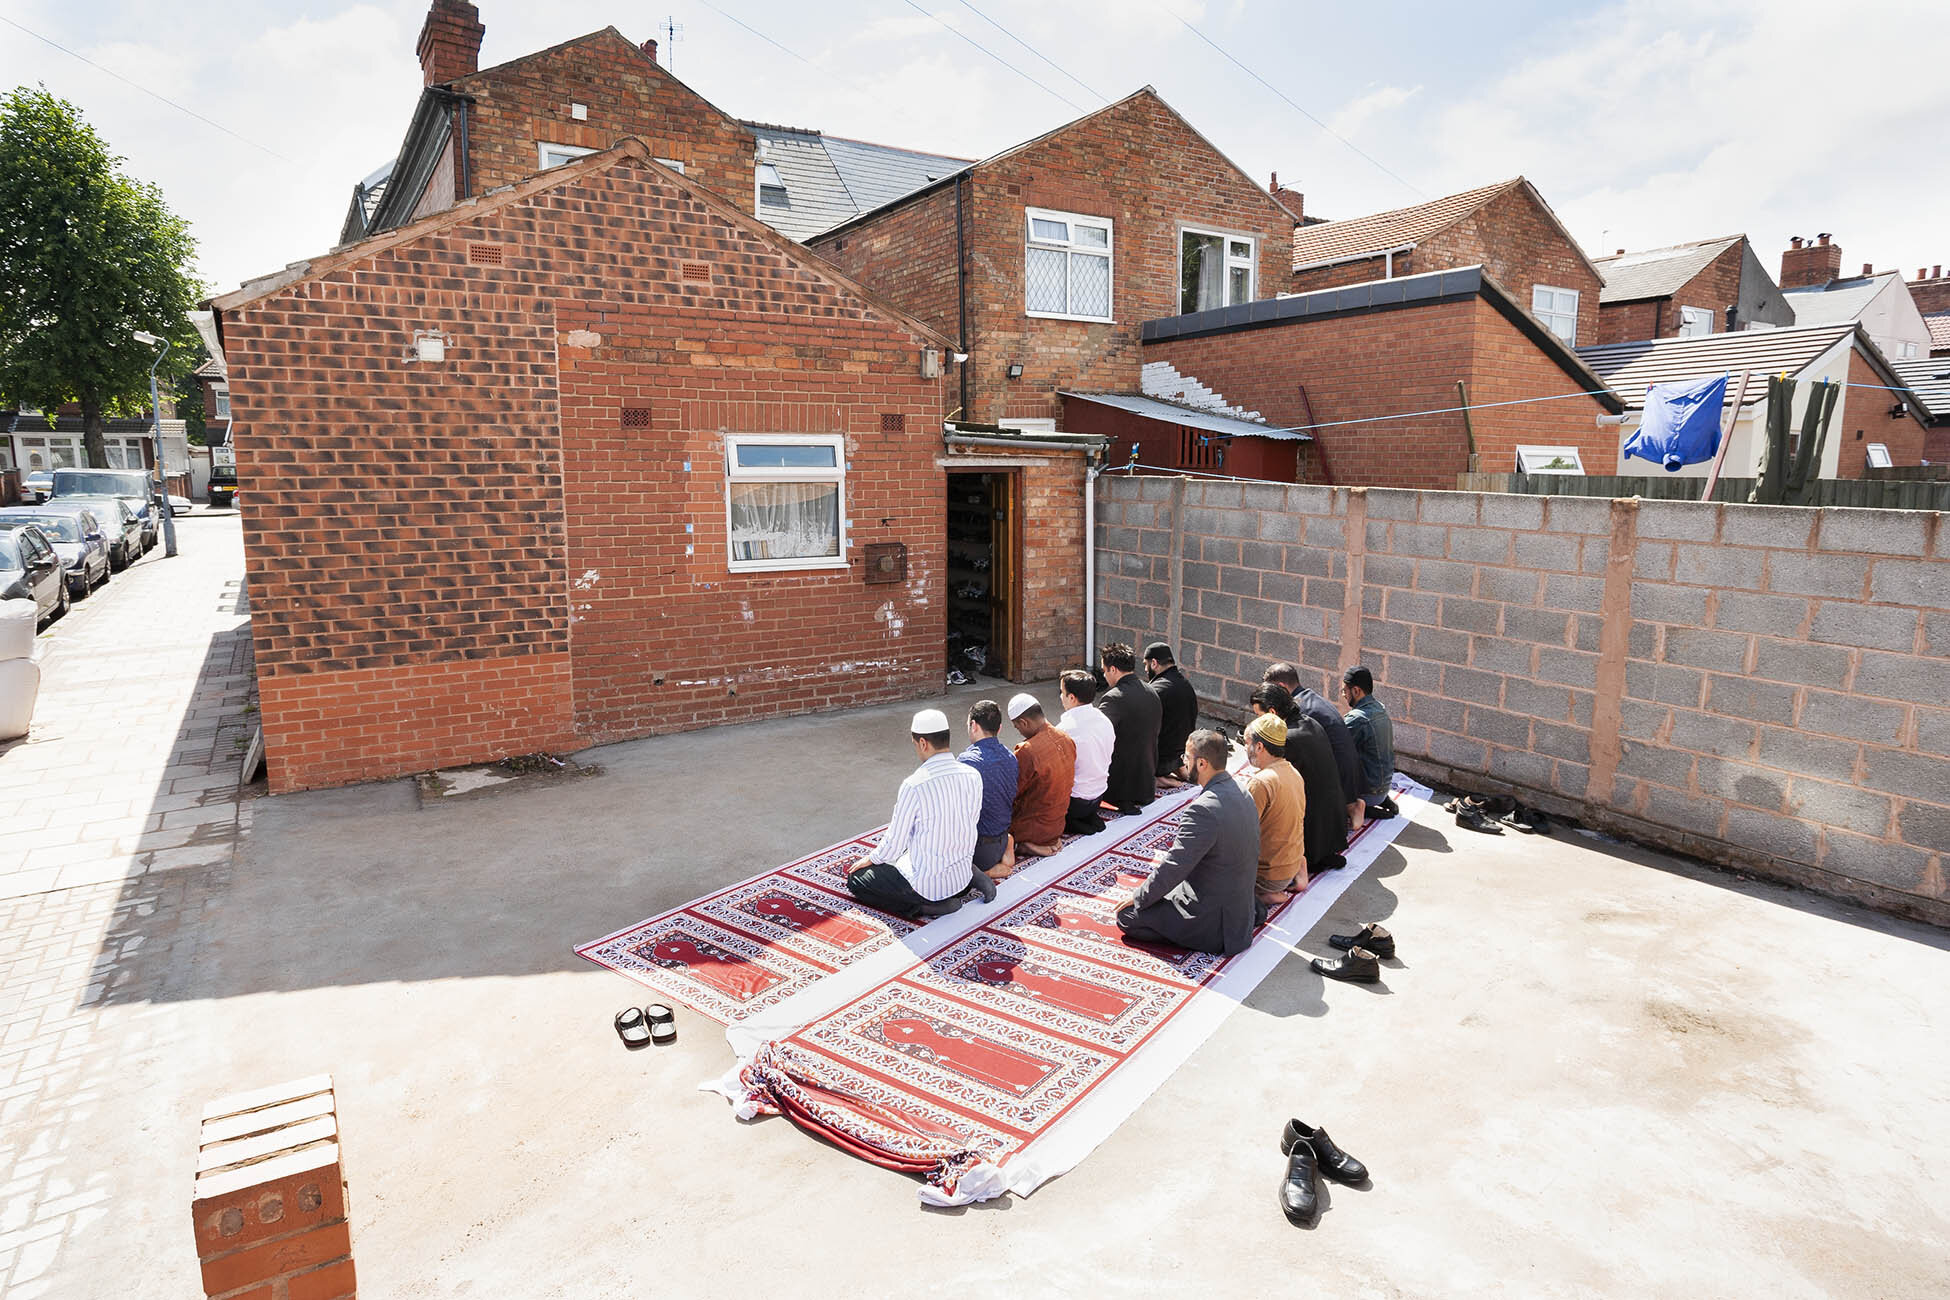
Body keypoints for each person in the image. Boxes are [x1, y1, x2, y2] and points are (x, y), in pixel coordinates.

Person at [1116, 729, 1260, 955]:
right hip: (1240, 910)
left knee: (1127, 918)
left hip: (1214, 924)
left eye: (1186, 757)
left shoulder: (1203, 809)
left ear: (1202, 763)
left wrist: (1139, 897)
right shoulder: (1242, 791)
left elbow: (1175, 865)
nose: (1182, 761)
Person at [844, 708, 983, 918]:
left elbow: (894, 844)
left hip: (928, 889)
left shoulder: (914, 785)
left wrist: (871, 859)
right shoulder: (973, 775)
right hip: (960, 879)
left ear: (923, 743)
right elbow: (970, 822)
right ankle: (973, 879)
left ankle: (925, 908)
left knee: (858, 880)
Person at [1251, 683, 1347, 876]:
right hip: (1333, 828)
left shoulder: (1287, 738)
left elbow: (1278, 782)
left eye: (1259, 716)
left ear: (1272, 712)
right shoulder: (1310, 722)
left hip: (1313, 834)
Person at [1264, 661, 1365, 836]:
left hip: (1338, 785)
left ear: (1281, 686)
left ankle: (1349, 808)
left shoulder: (1298, 710)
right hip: (1352, 778)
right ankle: (1351, 807)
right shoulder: (1310, 698)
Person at [1236, 712, 1309, 908]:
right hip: (1291, 866)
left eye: (1246, 742)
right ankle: (1296, 874)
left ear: (1259, 746)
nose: (1244, 747)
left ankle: (1264, 895)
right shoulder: (1292, 771)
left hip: (1269, 877)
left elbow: (1242, 835)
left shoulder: (1261, 782)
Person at [1006, 692, 1075, 864]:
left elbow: (1012, 793)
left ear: (1024, 722)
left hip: (1032, 829)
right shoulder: (1065, 737)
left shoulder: (1027, 750)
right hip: (1058, 826)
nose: (1019, 732)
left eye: (1017, 727)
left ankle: (1026, 845)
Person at [1096, 642, 1162, 814]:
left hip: (1122, 788)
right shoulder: (1151, 690)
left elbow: (1097, 735)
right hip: (1147, 781)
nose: (1104, 675)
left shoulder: (1113, 698)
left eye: (1104, 670)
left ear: (1113, 670)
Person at [959, 700, 1019, 877]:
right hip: (1000, 836)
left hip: (979, 848)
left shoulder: (967, 761)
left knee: (951, 875)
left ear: (973, 725)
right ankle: (1006, 846)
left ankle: (989, 871)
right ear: (999, 729)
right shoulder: (1010, 756)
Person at [1057, 669, 1115, 836]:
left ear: (1072, 698)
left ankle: (1072, 823)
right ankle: (1087, 819)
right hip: (1099, 796)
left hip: (1075, 802)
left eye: (1062, 692)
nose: (1061, 697)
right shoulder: (1104, 720)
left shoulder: (1064, 730)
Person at [1341, 665, 1398, 818]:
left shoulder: (1357, 718)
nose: (1343, 695)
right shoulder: (1380, 708)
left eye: (1345, 691)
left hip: (1369, 794)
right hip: (1383, 788)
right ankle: (1379, 801)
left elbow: (1334, 747)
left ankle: (1361, 808)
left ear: (1356, 691)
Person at [1144, 642, 1198, 783]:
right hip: (1181, 755)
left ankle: (1158, 780)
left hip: (1160, 762)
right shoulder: (1185, 684)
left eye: (1146, 664)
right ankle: (1178, 769)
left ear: (1154, 663)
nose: (1145, 669)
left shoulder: (1155, 690)